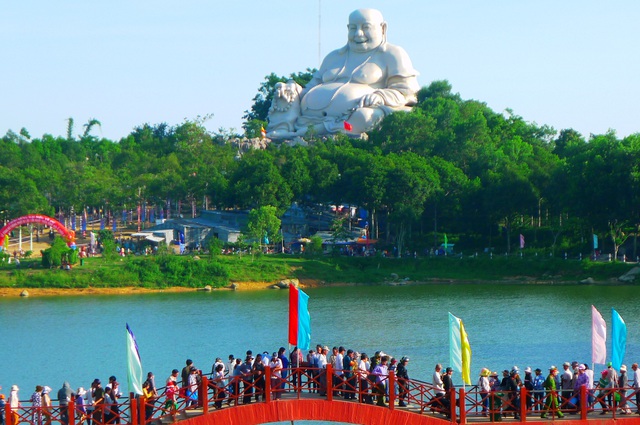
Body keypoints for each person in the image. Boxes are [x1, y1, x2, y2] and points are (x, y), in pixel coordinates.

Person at [266, 8, 419, 138]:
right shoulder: (334, 57)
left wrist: (380, 96)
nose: (358, 34)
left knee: (366, 117)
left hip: (352, 117)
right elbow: (310, 87)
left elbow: (407, 92)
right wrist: (292, 88)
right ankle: (282, 130)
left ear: (383, 28)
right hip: (310, 117)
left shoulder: (392, 54)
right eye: (353, 28)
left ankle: (302, 134)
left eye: (365, 27)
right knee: (286, 91)